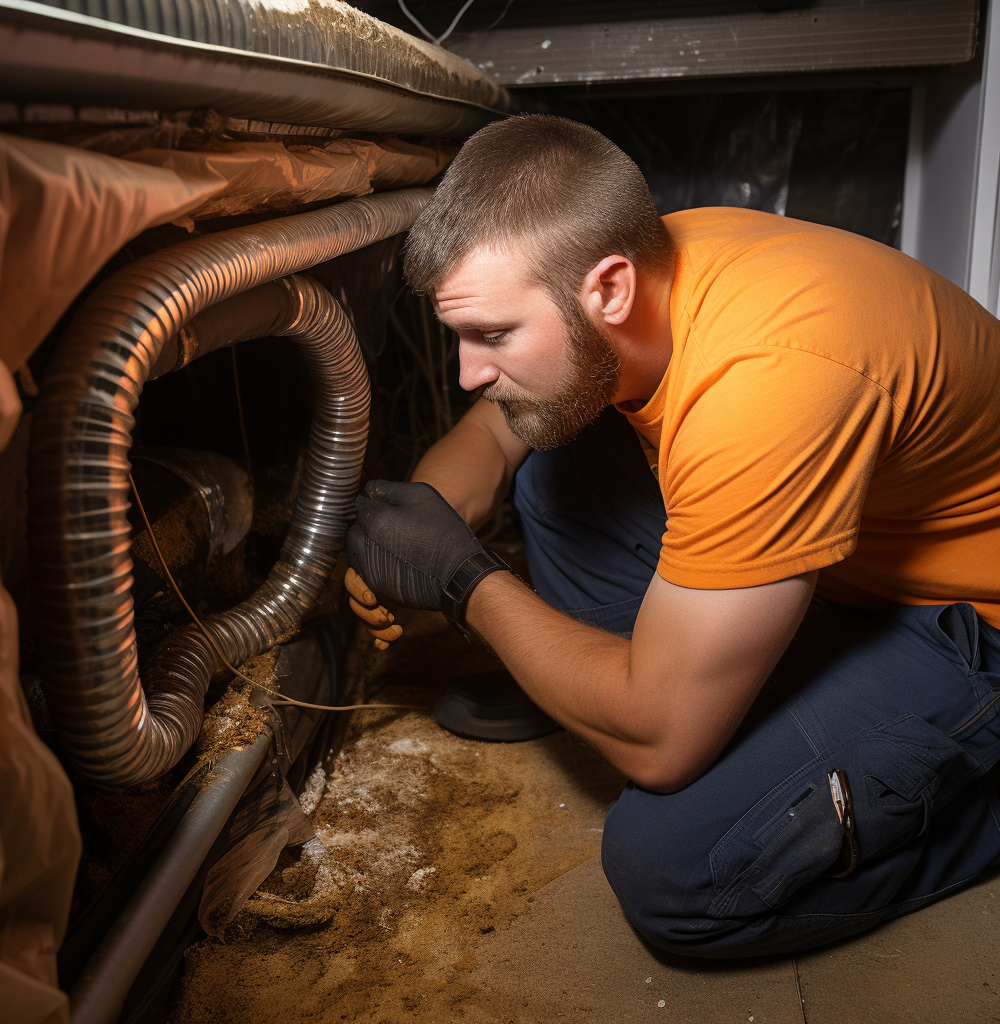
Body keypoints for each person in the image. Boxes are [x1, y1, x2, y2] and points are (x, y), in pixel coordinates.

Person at [344, 114, 1000, 957]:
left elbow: (661, 746)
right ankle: (623, 679)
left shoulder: (765, 384)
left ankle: (967, 790)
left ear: (610, 288)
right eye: (461, 335)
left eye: (494, 335)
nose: (469, 369)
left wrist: (463, 581)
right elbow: (497, 428)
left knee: (679, 868)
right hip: (847, 562)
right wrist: (423, 516)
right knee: (554, 450)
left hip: (966, 623)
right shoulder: (642, 261)